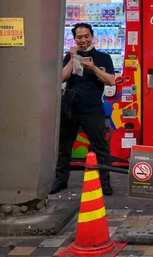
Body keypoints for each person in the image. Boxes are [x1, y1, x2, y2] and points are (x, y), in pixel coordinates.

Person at [51, 23, 115, 195]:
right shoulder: (69, 56)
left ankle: (105, 183)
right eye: (79, 37)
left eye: (86, 36)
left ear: (92, 36)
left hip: (93, 108)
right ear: (75, 39)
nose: (83, 40)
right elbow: (62, 78)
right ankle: (60, 181)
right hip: (70, 108)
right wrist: (73, 59)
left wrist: (93, 68)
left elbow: (111, 81)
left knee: (100, 146)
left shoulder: (103, 57)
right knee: (64, 147)